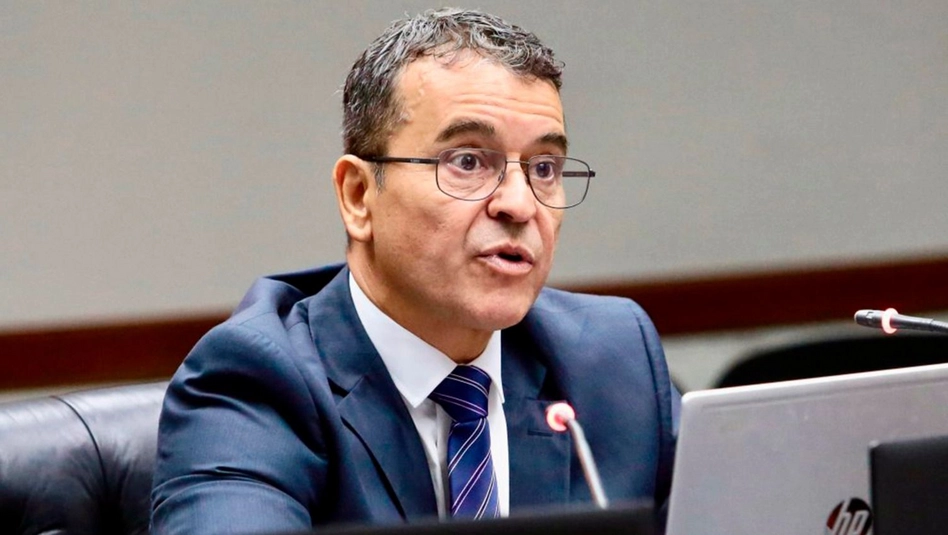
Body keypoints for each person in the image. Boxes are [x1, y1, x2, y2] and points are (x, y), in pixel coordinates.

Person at [151, 7, 680, 534]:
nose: (520, 205)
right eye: (468, 161)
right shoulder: (257, 382)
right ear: (358, 196)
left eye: (544, 168)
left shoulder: (613, 360)